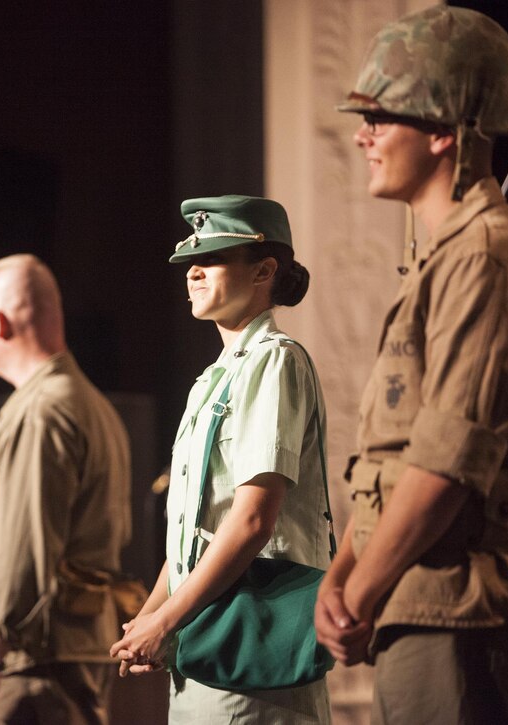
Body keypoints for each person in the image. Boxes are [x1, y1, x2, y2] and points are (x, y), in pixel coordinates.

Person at [315, 6, 508, 724]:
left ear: (443, 132)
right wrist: (343, 577)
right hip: (421, 605)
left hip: (465, 618)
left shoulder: (489, 259)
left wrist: (358, 592)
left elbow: (449, 461)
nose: (363, 136)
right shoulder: (448, 260)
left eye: (382, 117)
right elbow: (395, 457)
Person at [109, 195, 333, 723]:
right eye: (191, 261)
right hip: (205, 641)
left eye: (212, 259)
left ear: (263, 270)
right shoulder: (214, 378)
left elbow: (253, 518)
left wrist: (165, 623)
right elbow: (194, 532)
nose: (194, 273)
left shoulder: (274, 361)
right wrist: (152, 618)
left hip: (251, 649)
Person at [0, 254, 132, 725]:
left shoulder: (41, 411)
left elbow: (25, 548)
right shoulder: (89, 403)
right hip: (72, 646)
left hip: (32, 662)